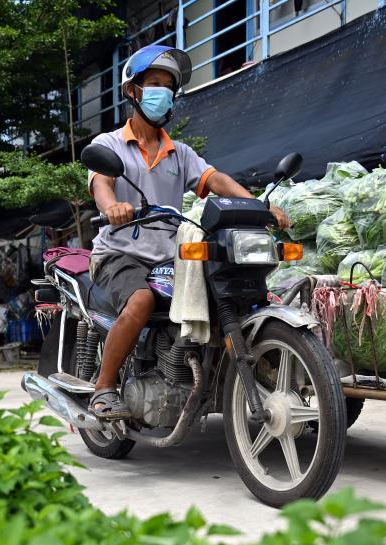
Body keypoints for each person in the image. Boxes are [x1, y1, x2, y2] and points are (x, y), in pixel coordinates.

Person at [87, 45, 289, 419]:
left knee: (225, 289)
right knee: (142, 301)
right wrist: (111, 206)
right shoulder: (109, 144)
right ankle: (104, 388)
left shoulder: (179, 152)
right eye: (154, 83)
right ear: (133, 91)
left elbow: (216, 181)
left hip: (168, 255)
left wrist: (259, 208)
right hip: (119, 253)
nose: (162, 91)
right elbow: (102, 182)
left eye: (168, 85)